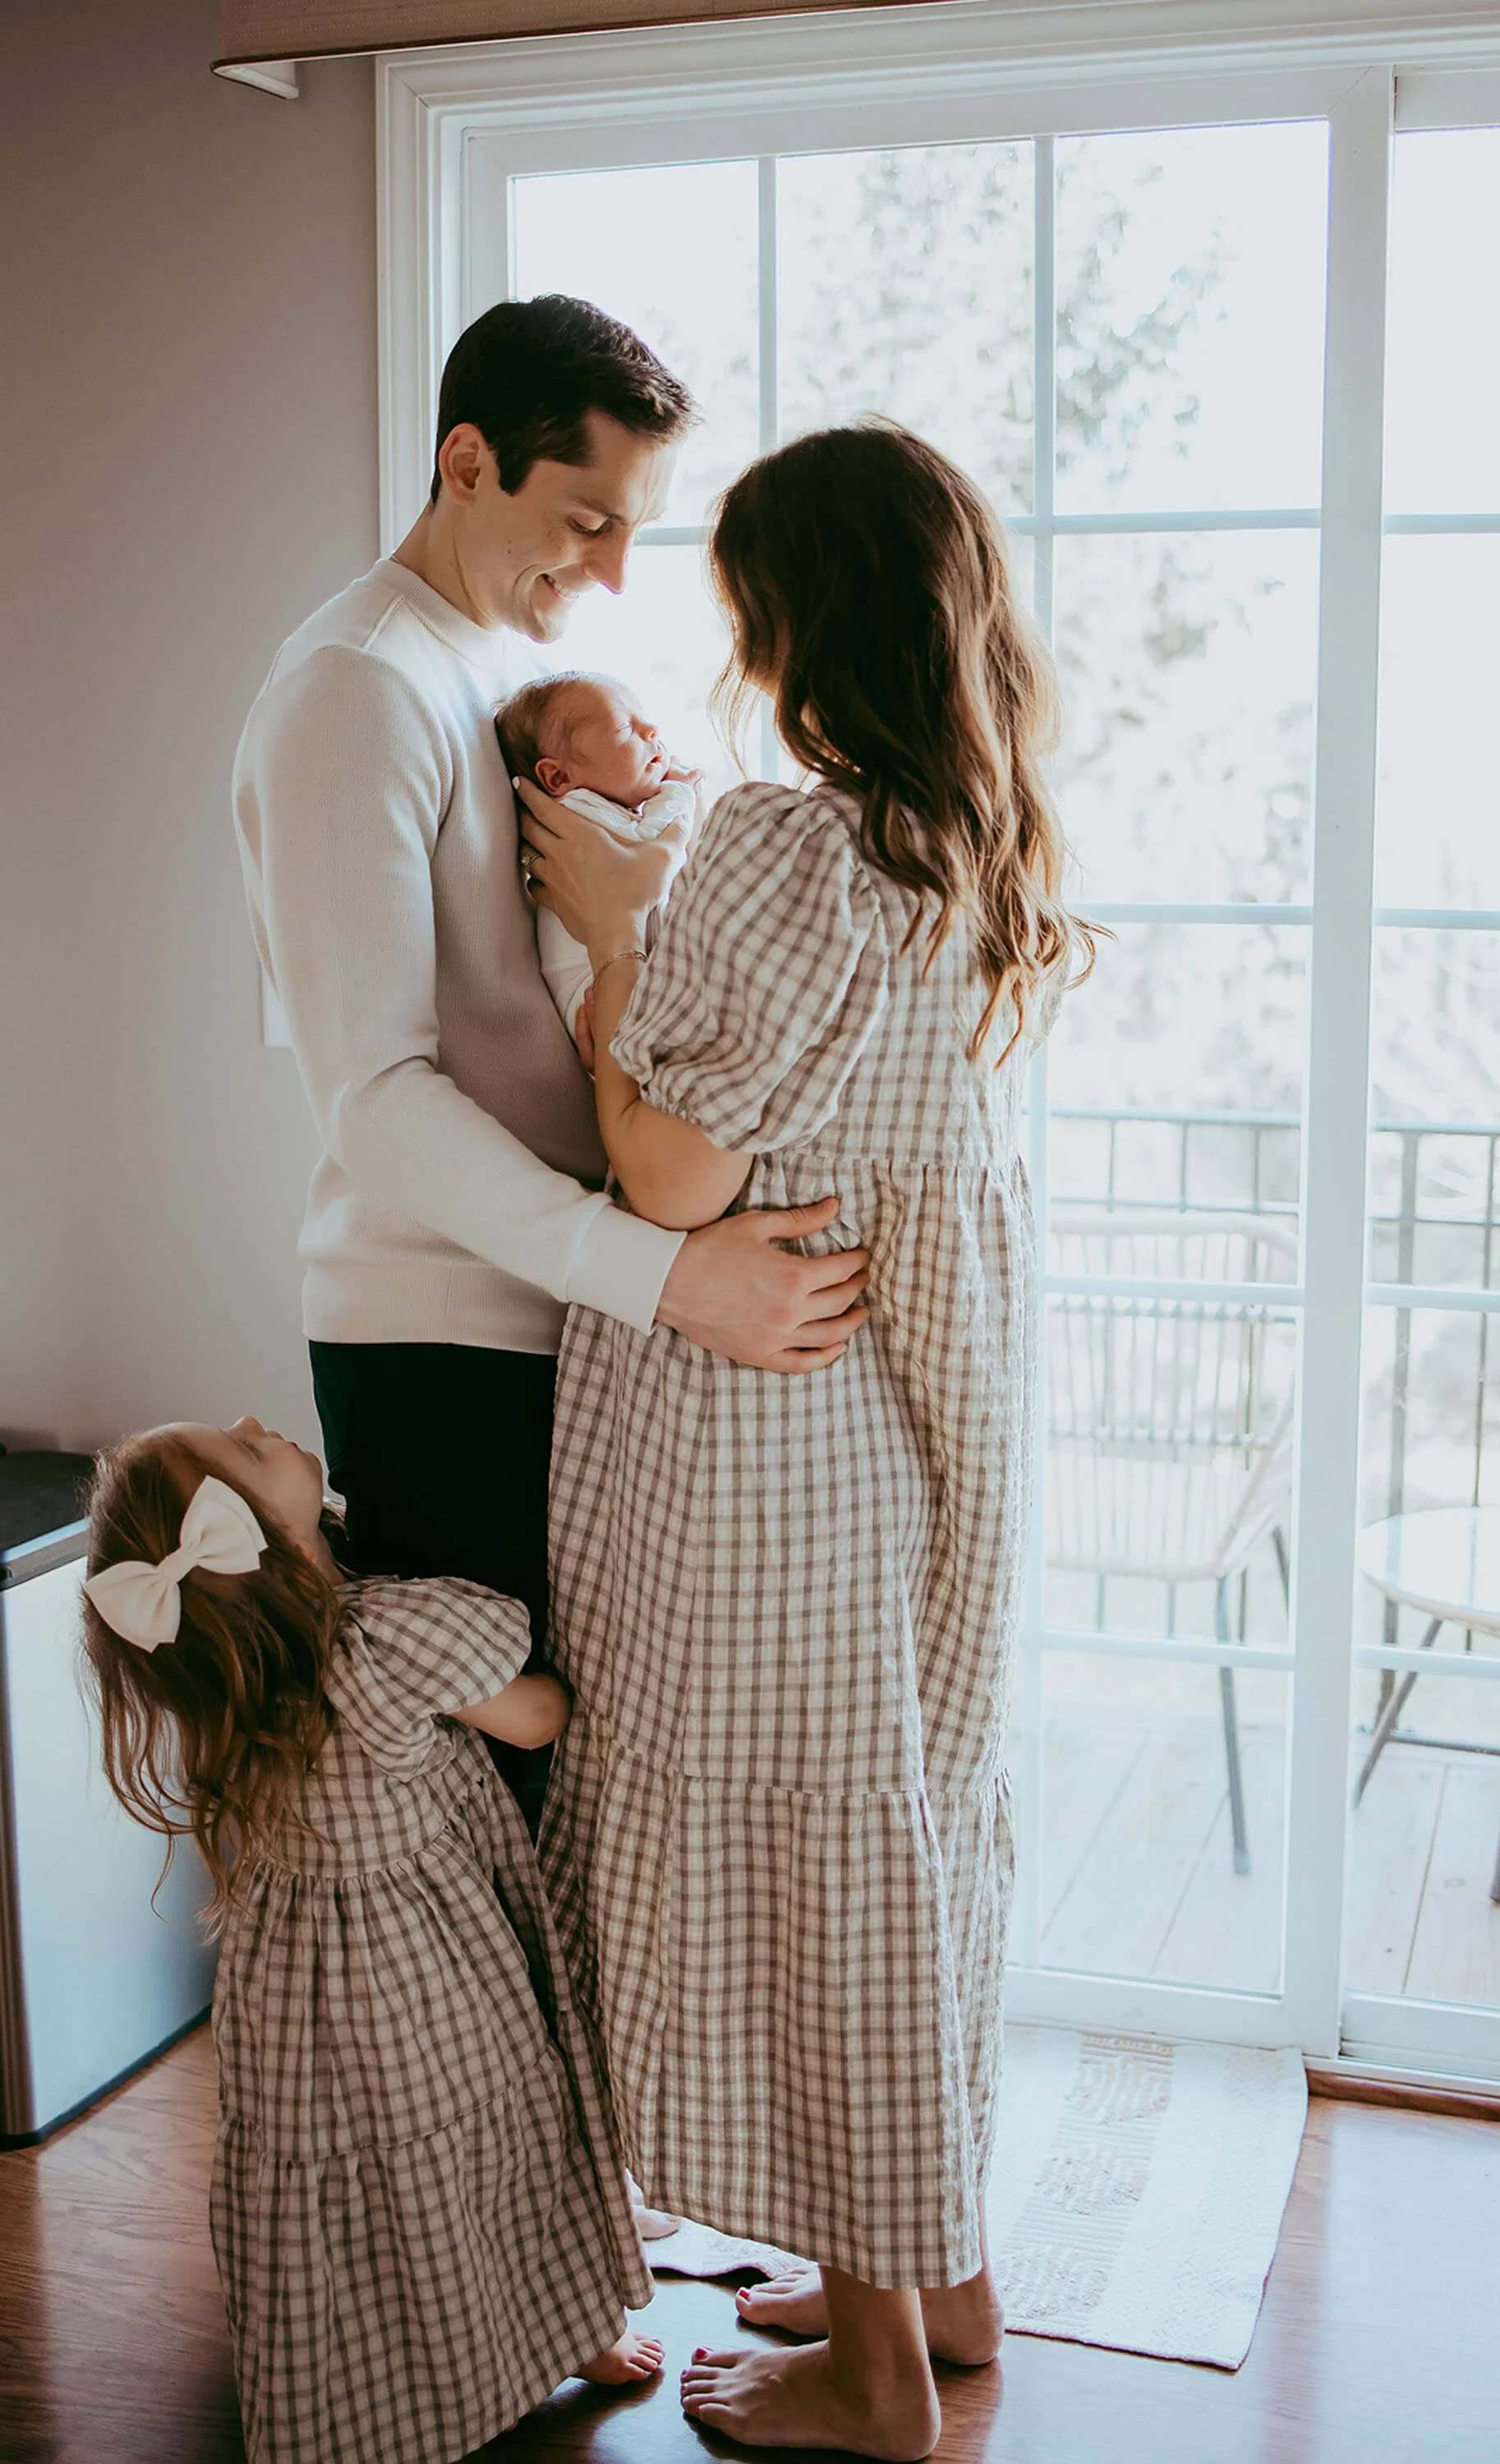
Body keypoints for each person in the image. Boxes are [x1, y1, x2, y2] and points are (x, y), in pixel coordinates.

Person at [520, 420, 1097, 2461]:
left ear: (795, 614)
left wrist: (604, 943)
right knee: (896, 1849)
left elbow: (669, 1171)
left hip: (770, 1440)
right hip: (909, 1433)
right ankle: (933, 2285)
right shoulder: (965, 843)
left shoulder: (784, 838)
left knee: (809, 1877)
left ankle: (866, 2382)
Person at [231, 295, 869, 1697]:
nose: (618, 572)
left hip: (570, 1303)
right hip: (448, 1334)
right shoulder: (354, 689)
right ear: (468, 464)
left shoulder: (527, 670)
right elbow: (376, 1095)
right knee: (488, 1810)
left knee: (578, 1793)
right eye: (589, 522)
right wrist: (674, 1279)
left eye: (635, 526)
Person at [80, 1412, 663, 2464]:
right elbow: (536, 1715)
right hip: (422, 1968)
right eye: (247, 1448)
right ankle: (552, 2334)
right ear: (258, 1535)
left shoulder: (232, 1679)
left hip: (295, 1993)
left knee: (360, 2195)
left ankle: (376, 2390)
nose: (258, 1422)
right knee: (487, 2145)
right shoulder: (378, 1640)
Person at [495, 670, 697, 1039]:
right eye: (624, 728)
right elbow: (650, 840)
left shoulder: (596, 812)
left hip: (613, 982)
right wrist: (680, 792)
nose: (651, 729)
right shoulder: (578, 810)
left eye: (643, 718)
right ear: (558, 778)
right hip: (592, 997)